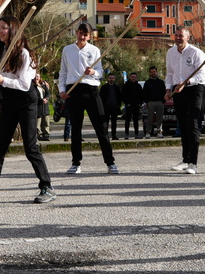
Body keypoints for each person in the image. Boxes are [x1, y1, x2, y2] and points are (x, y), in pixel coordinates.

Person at [0, 16, 55, 205]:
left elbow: (24, 85)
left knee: (30, 147)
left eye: (4, 28)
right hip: (8, 100)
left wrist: (2, 81)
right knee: (0, 146)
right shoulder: (0, 51)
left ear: (14, 30)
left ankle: (47, 186)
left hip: (26, 101)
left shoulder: (24, 53)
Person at [58, 23, 118, 174]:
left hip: (91, 90)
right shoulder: (67, 50)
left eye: (85, 35)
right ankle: (76, 163)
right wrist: (62, 91)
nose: (82, 37)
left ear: (90, 36)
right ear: (76, 33)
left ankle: (110, 162)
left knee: (101, 127)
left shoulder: (94, 50)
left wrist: (92, 72)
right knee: (75, 129)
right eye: (80, 33)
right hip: (74, 91)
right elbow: (63, 73)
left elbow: (100, 72)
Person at [165, 28, 205, 174]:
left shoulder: (196, 53)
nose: (177, 38)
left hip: (194, 89)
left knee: (192, 124)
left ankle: (193, 163)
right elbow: (170, 73)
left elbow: (202, 77)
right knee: (182, 124)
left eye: (181, 35)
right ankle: (185, 159)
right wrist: (168, 90)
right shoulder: (170, 53)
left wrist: (186, 83)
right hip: (178, 90)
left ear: (188, 37)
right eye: (176, 35)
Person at [142, 66, 166, 137]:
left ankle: (159, 132)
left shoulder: (161, 82)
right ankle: (148, 132)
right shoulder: (147, 82)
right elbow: (144, 93)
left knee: (159, 118)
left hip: (160, 102)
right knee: (150, 118)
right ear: (150, 73)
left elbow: (164, 92)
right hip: (151, 103)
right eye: (151, 72)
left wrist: (163, 101)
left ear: (157, 72)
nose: (153, 73)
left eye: (154, 72)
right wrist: (147, 102)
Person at [99, 70, 122, 141]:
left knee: (114, 122)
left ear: (114, 79)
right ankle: (106, 135)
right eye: (110, 78)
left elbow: (119, 97)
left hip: (114, 107)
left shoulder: (116, 87)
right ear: (108, 79)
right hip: (106, 107)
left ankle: (114, 135)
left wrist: (119, 105)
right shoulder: (104, 87)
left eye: (112, 78)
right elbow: (101, 97)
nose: (111, 79)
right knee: (105, 123)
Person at [121, 71, 143, 138]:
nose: (134, 78)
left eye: (135, 77)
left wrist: (140, 104)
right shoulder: (125, 86)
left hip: (136, 106)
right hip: (129, 106)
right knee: (127, 120)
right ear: (130, 77)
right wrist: (127, 103)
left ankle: (136, 134)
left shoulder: (138, 86)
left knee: (136, 120)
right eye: (132, 77)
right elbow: (123, 95)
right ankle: (126, 134)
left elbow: (141, 95)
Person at [35, 73, 51, 140]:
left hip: (45, 107)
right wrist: (41, 100)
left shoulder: (43, 85)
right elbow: (34, 96)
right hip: (38, 107)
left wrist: (46, 98)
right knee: (37, 123)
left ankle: (46, 134)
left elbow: (48, 93)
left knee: (46, 122)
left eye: (38, 76)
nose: (36, 78)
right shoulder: (32, 86)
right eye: (35, 76)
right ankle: (39, 135)